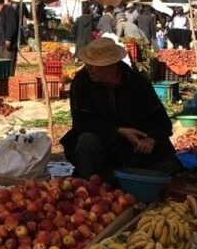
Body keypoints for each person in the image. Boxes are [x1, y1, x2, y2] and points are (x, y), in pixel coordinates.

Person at [60, 37, 180, 181]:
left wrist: (151, 138)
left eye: (95, 64)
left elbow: (162, 122)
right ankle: (91, 184)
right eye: (88, 64)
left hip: (134, 146)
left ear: (112, 65)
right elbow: (82, 123)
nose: (89, 69)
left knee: (169, 166)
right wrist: (119, 131)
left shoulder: (136, 82)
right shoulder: (82, 82)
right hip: (102, 140)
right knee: (87, 141)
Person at [0, 0, 19, 75]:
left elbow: (11, 25)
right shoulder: (1, 14)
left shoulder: (9, 10)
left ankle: (10, 84)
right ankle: (3, 84)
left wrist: (8, 38)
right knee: (2, 66)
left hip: (9, 45)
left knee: (8, 66)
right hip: (2, 44)